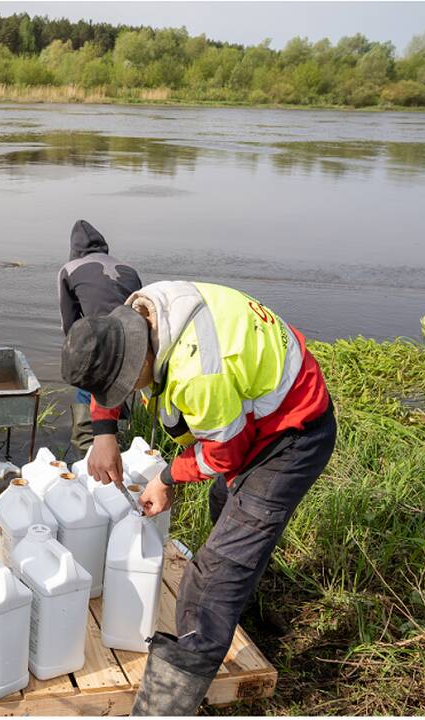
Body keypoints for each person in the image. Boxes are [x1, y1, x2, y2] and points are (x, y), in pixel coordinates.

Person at [61, 280, 335, 716]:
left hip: (292, 435)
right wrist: (104, 433)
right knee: (224, 509)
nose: (128, 393)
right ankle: (244, 611)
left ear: (140, 358)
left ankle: (161, 709)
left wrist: (168, 477)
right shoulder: (138, 314)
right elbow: (107, 366)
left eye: (126, 385)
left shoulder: (199, 373)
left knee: (211, 577)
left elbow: (227, 454)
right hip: (256, 412)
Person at [57, 219, 142, 455]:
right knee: (120, 380)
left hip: (102, 340)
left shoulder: (70, 269)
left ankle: (86, 448)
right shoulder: (128, 269)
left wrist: (78, 355)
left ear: (74, 249)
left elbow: (69, 323)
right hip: (137, 341)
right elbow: (138, 309)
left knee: (88, 383)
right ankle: (117, 436)